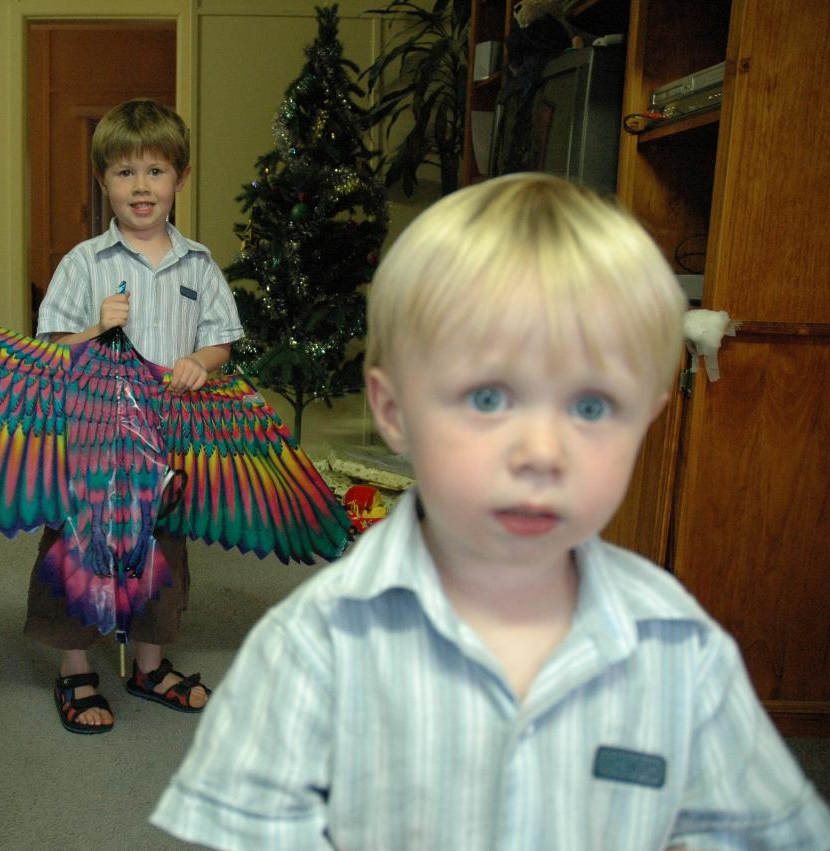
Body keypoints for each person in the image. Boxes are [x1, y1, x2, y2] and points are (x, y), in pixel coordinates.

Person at [150, 174, 830, 847]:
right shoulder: (311, 645)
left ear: (645, 421)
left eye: (591, 406)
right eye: (486, 398)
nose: (541, 451)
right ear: (394, 412)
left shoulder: (681, 646)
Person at [26, 98, 244, 734]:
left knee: (163, 550)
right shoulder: (83, 263)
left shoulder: (199, 263)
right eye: (125, 173)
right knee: (73, 543)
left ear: (180, 178)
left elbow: (221, 339)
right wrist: (96, 327)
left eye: (156, 171)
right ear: (104, 184)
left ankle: (149, 663)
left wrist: (202, 362)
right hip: (92, 439)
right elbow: (51, 348)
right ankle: (74, 667)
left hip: (166, 439)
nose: (141, 186)